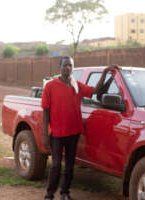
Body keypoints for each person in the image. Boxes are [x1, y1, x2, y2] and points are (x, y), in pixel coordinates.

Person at [41, 56, 119, 200]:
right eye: (65, 65)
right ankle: (49, 195)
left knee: (70, 165)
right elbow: (45, 111)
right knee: (56, 165)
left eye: (70, 66)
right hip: (57, 134)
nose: (68, 68)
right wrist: (45, 134)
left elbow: (95, 90)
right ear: (60, 67)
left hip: (73, 132)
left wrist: (105, 73)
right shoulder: (50, 86)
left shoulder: (76, 85)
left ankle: (65, 193)